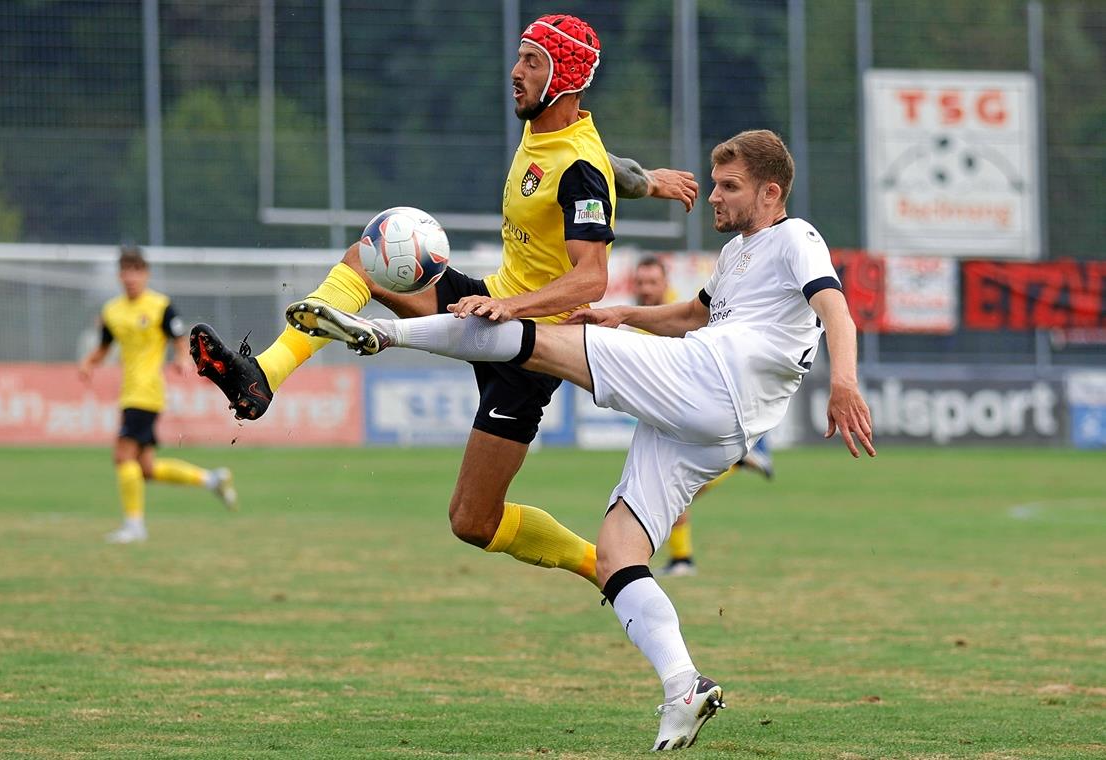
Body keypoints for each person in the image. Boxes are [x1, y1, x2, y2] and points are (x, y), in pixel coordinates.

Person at [285, 129, 876, 749]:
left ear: (771, 192)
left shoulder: (795, 237)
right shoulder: (735, 257)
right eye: (716, 184)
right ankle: (684, 686)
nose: (715, 197)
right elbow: (694, 316)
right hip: (722, 425)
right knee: (619, 549)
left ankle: (380, 336)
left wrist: (845, 382)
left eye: (730, 187)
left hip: (713, 380)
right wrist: (624, 315)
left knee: (527, 334)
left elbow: (836, 308)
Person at [189, 14, 697, 588]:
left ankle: (604, 568)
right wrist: (650, 180)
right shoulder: (557, 134)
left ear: (565, 80)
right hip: (487, 304)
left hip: (531, 349)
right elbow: (614, 170)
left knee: (472, 521)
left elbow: (592, 279)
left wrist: (514, 309)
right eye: (520, 56)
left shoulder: (578, 166)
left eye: (533, 61)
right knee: (369, 256)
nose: (516, 71)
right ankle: (260, 379)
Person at [78, 246, 237, 544]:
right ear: (119, 275)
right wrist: (88, 362)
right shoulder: (112, 311)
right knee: (145, 469)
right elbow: (103, 348)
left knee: (121, 456)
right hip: (130, 392)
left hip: (147, 392)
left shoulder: (161, 306)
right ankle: (212, 479)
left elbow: (179, 340)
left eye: (136, 271)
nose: (130, 277)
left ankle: (134, 527)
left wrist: (180, 359)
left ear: (145, 274)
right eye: (125, 271)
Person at [631, 255, 775, 577]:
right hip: (669, 418)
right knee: (672, 491)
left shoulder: (678, 317)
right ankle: (681, 559)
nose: (646, 289)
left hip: (691, 417)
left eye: (652, 282)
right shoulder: (641, 319)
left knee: (668, 489)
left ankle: (677, 559)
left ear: (665, 283)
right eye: (641, 282)